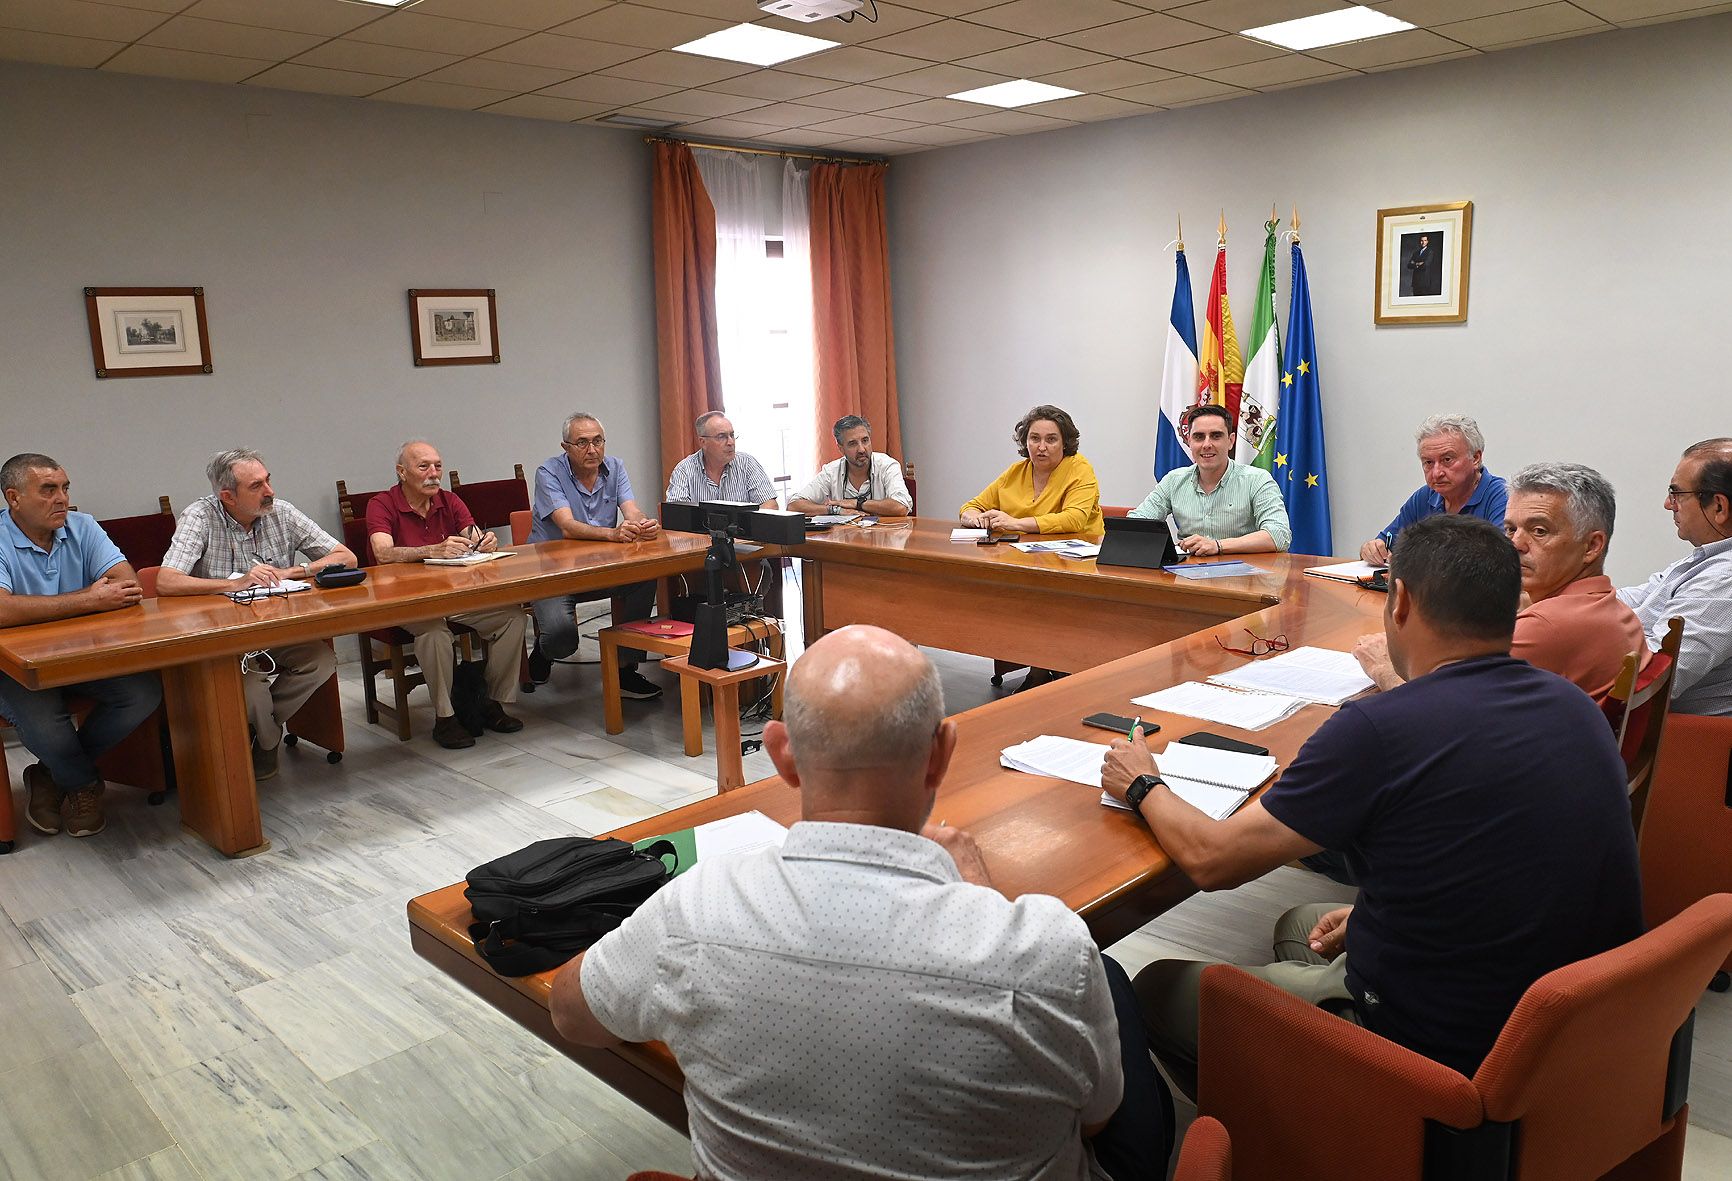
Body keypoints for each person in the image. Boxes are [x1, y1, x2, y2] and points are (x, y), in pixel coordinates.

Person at [549, 625, 1172, 1181]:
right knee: (1111, 987)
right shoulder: (1046, 951)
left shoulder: (694, 912)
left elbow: (573, 1014)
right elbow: (1094, 1120)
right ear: (942, 754)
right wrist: (979, 893)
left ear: (781, 755)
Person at [1104, 515, 1641, 1098]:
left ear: (1401, 599)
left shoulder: (1378, 729)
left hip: (1443, 1047)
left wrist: (1142, 783)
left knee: (1155, 987)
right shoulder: (1575, 706)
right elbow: (1512, 851)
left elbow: (1212, 861)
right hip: (1570, 1024)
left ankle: (1319, 1131)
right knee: (1301, 925)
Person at [1355, 461, 1649, 700]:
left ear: (1591, 546)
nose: (1516, 544)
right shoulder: (1610, 606)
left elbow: (1438, 709)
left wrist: (1382, 667)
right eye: (1510, 530)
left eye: (1539, 531)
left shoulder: (1547, 627)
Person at [158, 448, 354, 782]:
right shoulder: (200, 517)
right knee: (251, 686)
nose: (269, 491)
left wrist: (296, 570)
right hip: (224, 640)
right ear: (227, 496)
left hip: (276, 631)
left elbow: (346, 557)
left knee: (320, 660)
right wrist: (231, 584)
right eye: (256, 486)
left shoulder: (282, 512)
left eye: (268, 480)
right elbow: (165, 580)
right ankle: (267, 741)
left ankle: (263, 730)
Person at [0, 453, 162, 839]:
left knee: (143, 693)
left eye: (65, 487)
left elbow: (127, 585)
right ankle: (81, 784)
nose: (62, 498)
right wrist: (87, 600)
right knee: (48, 727)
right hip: (13, 668)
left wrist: (41, 610)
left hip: (82, 657)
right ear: (14, 497)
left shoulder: (83, 526)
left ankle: (50, 776)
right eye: (48, 490)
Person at [365, 440, 527, 749]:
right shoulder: (382, 504)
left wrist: (484, 542)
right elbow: (382, 553)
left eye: (437, 465)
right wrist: (430, 551)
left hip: (454, 596)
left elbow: (472, 536)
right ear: (402, 472)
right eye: (423, 466)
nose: (433, 473)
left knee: (513, 618)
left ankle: (490, 701)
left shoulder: (449, 501)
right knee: (436, 634)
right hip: (406, 602)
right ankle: (445, 718)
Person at [527, 413, 662, 701]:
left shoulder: (615, 466)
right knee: (563, 641)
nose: (592, 450)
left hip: (601, 568)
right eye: (582, 442)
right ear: (566, 447)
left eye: (598, 441)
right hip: (554, 574)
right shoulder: (548, 472)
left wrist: (642, 524)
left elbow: (631, 509)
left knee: (645, 578)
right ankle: (543, 651)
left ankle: (626, 667)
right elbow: (567, 526)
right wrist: (613, 534)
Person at [1619, 437, 1732, 716]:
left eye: (1677, 493)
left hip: (1684, 746)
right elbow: (1635, 599)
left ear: (1718, 507)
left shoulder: (1724, 580)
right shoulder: (1705, 560)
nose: (1668, 505)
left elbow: (1653, 676)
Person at [1128, 404, 1291, 555]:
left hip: (1244, 578)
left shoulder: (1257, 480)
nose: (1207, 444)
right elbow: (1135, 525)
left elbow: (1279, 535)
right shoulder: (1173, 481)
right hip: (1188, 575)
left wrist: (1218, 546)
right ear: (1189, 442)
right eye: (1199, 437)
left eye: (1216, 436)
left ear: (1231, 441)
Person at [1360, 414, 1507, 564]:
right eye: (1428, 462)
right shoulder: (1424, 497)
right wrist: (1372, 549)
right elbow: (1387, 542)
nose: (1437, 473)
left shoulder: (1502, 496)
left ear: (1475, 458)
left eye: (1447, 460)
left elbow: (1500, 561)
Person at [959, 404, 1104, 535]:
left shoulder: (1079, 469)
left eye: (1051, 439)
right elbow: (971, 507)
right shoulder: (1016, 472)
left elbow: (1073, 519)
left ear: (1065, 443)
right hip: (1022, 555)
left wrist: (1014, 523)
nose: (1041, 447)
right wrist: (976, 519)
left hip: (1077, 557)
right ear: (1025, 442)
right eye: (1035, 438)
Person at [786, 415, 913, 518]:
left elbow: (901, 506)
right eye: (852, 444)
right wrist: (835, 510)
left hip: (884, 541)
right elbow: (794, 506)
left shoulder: (887, 465)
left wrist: (858, 504)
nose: (862, 449)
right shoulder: (831, 471)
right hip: (845, 542)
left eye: (865, 440)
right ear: (841, 448)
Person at [665, 411, 777, 509]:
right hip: (701, 533)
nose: (731, 442)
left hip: (742, 532)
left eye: (732, 435)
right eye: (721, 437)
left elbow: (770, 505)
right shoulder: (684, 470)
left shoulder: (747, 463)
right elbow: (677, 513)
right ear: (703, 442)